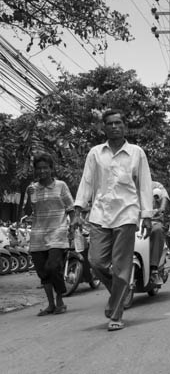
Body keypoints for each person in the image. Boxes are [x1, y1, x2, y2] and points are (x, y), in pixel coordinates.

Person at [73, 109, 153, 331]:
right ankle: (121, 289)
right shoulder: (96, 153)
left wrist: (146, 215)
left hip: (127, 214)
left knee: (121, 268)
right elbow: (87, 181)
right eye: (110, 123)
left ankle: (116, 313)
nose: (115, 126)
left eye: (119, 123)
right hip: (99, 214)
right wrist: (78, 210)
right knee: (96, 261)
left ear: (124, 126)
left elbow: (145, 185)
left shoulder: (137, 152)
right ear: (104, 127)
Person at [24, 153, 75, 316]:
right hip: (38, 235)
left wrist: (73, 224)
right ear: (35, 170)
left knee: (52, 267)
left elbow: (71, 207)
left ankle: (60, 299)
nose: (42, 171)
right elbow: (27, 211)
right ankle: (51, 304)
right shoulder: (32, 188)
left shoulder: (61, 186)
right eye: (39, 168)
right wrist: (29, 196)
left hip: (58, 232)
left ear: (51, 169)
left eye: (45, 168)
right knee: (42, 272)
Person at [150, 181, 169, 284]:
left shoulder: (155, 186)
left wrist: (161, 208)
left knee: (157, 230)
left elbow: (164, 197)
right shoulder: (128, 185)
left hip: (153, 220)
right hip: (133, 222)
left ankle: (154, 268)